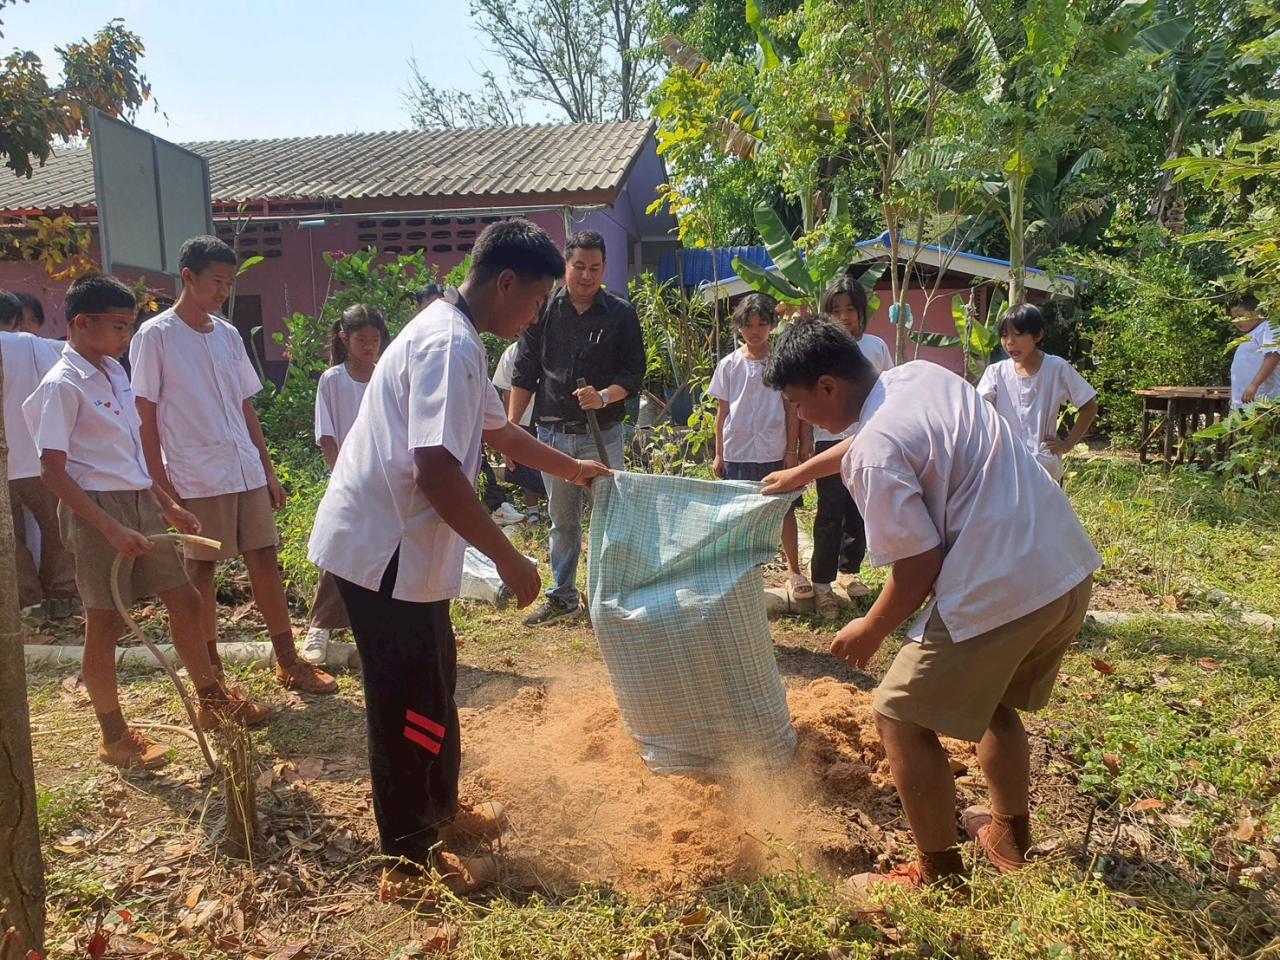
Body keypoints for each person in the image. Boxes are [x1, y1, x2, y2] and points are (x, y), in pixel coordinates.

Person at [307, 219, 610, 902]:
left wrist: (573, 468)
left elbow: (496, 430)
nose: (535, 317)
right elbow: (439, 470)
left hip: (406, 551)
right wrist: (509, 559)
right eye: (535, 301)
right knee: (403, 704)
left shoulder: (458, 336)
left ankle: (440, 811)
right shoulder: (447, 343)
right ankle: (406, 862)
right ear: (505, 283)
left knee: (436, 683)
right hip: (382, 552)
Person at [760, 320, 1099, 890]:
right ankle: (1010, 837)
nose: (799, 418)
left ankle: (937, 877)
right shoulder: (917, 376)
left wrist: (869, 628)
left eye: (798, 405)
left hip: (999, 588)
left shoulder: (874, 454)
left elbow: (919, 567)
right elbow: (875, 434)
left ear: (826, 387)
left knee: (898, 714)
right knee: (994, 703)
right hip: (1062, 568)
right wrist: (803, 470)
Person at [23, 275, 271, 770]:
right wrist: (109, 527)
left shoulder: (115, 372)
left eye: (128, 327)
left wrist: (165, 503)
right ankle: (114, 735)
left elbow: (132, 455)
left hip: (138, 500)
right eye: (117, 327)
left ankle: (210, 699)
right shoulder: (61, 384)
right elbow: (53, 472)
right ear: (81, 324)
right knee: (106, 621)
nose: (124, 338)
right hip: (94, 509)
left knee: (186, 599)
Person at [129, 235, 337, 696]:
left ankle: (288, 660)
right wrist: (162, 490)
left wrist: (266, 469)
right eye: (217, 281)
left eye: (229, 282)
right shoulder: (156, 336)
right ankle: (212, 678)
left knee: (264, 558)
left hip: (241, 467)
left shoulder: (227, 335)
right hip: (195, 472)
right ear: (188, 277)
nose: (224, 291)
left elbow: (245, 408)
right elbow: (144, 415)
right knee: (201, 571)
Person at [508, 230, 645, 627]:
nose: (587, 275)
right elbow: (525, 371)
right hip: (553, 435)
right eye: (579, 267)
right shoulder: (543, 309)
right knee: (563, 520)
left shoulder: (620, 313)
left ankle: (607, 596)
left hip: (603, 434)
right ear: (566, 266)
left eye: (595, 268)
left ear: (604, 269)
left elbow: (634, 374)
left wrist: (603, 396)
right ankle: (563, 597)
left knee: (609, 518)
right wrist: (512, 429)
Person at [300, 304, 390, 666]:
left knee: (383, 555)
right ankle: (319, 628)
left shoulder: (388, 374)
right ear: (344, 338)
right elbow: (328, 436)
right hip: (349, 480)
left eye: (375, 340)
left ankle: (375, 629)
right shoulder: (333, 380)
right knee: (338, 551)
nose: (369, 347)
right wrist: (344, 478)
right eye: (362, 340)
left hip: (387, 480)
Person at [709, 293, 808, 597]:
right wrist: (719, 453)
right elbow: (722, 412)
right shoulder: (729, 365)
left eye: (762, 324)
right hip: (738, 449)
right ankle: (741, 572)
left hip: (773, 449)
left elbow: (793, 410)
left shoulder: (782, 363)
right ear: (739, 327)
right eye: (748, 324)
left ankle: (793, 570)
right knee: (740, 513)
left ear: (772, 326)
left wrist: (793, 451)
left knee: (784, 509)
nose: (755, 331)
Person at [808, 277, 894, 618]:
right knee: (829, 513)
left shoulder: (876, 347)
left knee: (860, 509)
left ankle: (851, 572)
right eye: (836, 311)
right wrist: (802, 444)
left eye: (850, 310)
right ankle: (822, 584)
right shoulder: (819, 350)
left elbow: (890, 391)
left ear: (862, 314)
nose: (844, 318)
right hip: (829, 441)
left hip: (868, 440)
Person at [1, 292, 78, 618]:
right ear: (17, 319)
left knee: (11, 538)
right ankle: (62, 595)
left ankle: (26, 600)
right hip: (36, 456)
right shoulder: (30, 344)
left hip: (3, 465)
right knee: (55, 528)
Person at [976, 303, 1098, 483]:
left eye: (1018, 335)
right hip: (1007, 468)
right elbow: (976, 409)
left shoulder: (1056, 368)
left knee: (1046, 512)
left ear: (1038, 335)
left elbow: (1089, 406)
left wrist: (1067, 444)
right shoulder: (996, 372)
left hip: (1044, 470)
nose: (1010, 342)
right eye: (1004, 335)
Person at [491, 340, 547, 523]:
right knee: (524, 465)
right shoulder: (512, 352)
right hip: (522, 418)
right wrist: (510, 425)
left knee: (549, 464)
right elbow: (508, 391)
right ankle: (533, 512)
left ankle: (557, 511)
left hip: (548, 415)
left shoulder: (549, 344)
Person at [1228, 295, 1280, 408]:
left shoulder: (1268, 328)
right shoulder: (1248, 336)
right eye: (1234, 318)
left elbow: (1273, 357)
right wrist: (1234, 394)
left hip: (1262, 402)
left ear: (1257, 312)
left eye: (1241, 316)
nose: (1237, 321)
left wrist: (1254, 385)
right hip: (1243, 403)